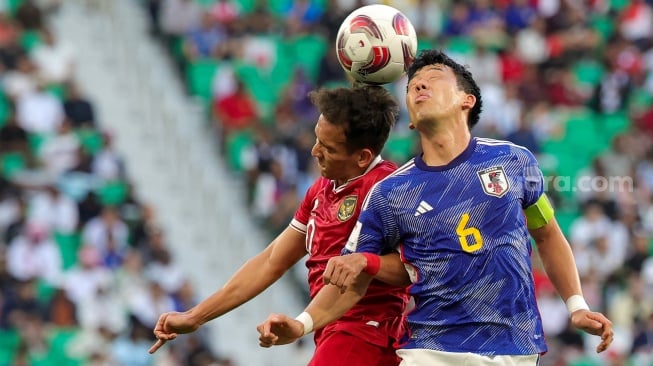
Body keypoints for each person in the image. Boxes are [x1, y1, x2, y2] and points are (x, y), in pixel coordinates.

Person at [256, 49, 614, 365]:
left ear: (467, 100)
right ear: (411, 118)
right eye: (413, 86)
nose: (419, 86)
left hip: (512, 346)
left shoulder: (514, 162)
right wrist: (302, 324)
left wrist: (577, 306)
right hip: (430, 348)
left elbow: (548, 235)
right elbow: (352, 279)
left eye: (434, 79)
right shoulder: (391, 192)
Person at [149, 85, 410, 365]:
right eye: (317, 139)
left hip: (367, 332)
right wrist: (195, 316)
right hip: (331, 330)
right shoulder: (321, 189)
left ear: (363, 157)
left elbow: (411, 268)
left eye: (328, 148)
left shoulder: (387, 189)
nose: (314, 151)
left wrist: (303, 321)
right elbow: (272, 260)